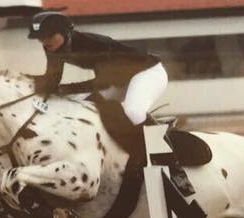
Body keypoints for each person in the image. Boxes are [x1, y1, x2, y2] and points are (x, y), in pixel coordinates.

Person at [27, 11, 165, 130]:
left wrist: (65, 89)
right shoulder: (53, 48)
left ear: (64, 33)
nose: (45, 42)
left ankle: (162, 152)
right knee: (87, 109)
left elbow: (102, 83)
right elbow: (52, 79)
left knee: (134, 111)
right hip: (119, 80)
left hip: (147, 72)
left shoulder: (93, 44)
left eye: (49, 36)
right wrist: (24, 82)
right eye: (41, 38)